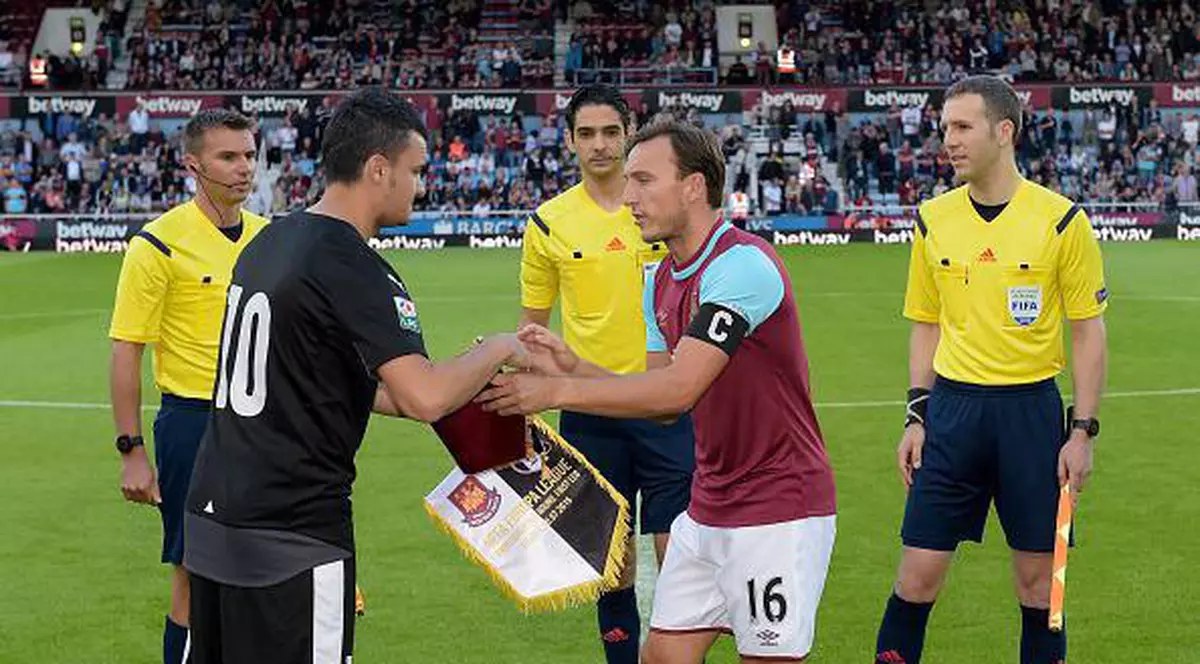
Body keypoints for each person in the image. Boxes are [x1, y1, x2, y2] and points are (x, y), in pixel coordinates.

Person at [182, 88, 528, 663]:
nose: (421, 185)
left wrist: (468, 381)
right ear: (378, 169)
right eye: (415, 171)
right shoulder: (350, 261)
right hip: (291, 533)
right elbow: (424, 397)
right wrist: (501, 345)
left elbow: (318, 377)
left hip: (215, 521)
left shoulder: (272, 239)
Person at [482, 119, 837, 664]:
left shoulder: (743, 266)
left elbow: (676, 391)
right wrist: (574, 367)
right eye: (628, 182)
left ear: (694, 186)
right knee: (663, 655)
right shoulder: (661, 279)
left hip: (776, 508)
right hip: (710, 505)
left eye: (644, 181)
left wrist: (554, 391)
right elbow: (657, 398)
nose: (628, 198)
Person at [874, 75, 1107, 664]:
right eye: (945, 127)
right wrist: (915, 416)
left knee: (1040, 588)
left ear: (1004, 132)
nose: (947, 140)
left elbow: (1087, 330)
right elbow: (925, 323)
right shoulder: (932, 219)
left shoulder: (1061, 221)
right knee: (916, 577)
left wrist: (1081, 432)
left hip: (1031, 415)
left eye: (961, 126)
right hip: (952, 416)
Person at [518, 84, 695, 664]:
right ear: (569, 141)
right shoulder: (548, 224)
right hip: (591, 414)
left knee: (682, 558)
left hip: (669, 407)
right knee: (613, 567)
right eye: (587, 134)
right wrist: (529, 419)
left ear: (630, 132)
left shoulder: (665, 209)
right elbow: (532, 334)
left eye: (611, 132)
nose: (600, 145)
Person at [108, 108, 267, 664]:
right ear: (192, 164)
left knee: (266, 577)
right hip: (195, 425)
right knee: (195, 579)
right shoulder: (158, 244)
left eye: (249, 154)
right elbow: (127, 346)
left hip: (266, 426)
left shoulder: (270, 239)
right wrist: (131, 451)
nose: (243, 168)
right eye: (228, 157)